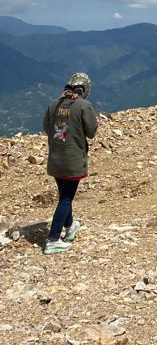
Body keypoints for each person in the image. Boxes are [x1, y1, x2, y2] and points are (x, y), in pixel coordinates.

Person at [42, 72, 98, 256]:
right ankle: (53, 239)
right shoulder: (83, 106)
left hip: (55, 159)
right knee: (66, 198)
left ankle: (70, 226)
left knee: (64, 194)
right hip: (72, 160)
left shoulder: (53, 105)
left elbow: (45, 128)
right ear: (85, 89)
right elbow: (91, 132)